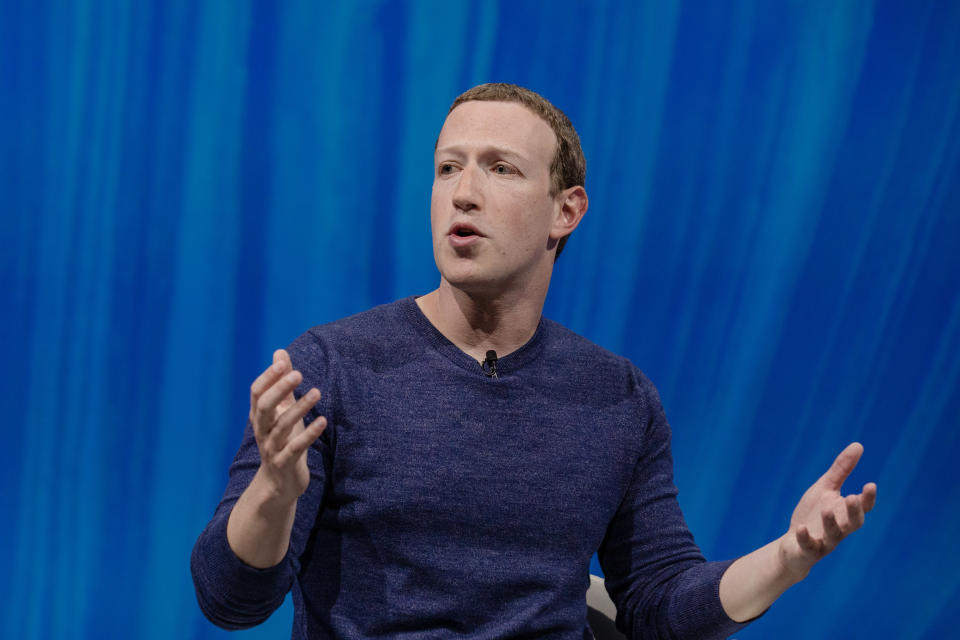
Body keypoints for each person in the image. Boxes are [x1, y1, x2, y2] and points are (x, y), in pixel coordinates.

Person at [191, 83, 877, 639]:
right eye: (447, 167)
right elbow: (230, 602)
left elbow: (661, 602)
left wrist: (787, 559)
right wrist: (273, 498)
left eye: (500, 168)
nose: (463, 192)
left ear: (565, 211)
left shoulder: (618, 397)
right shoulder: (331, 367)